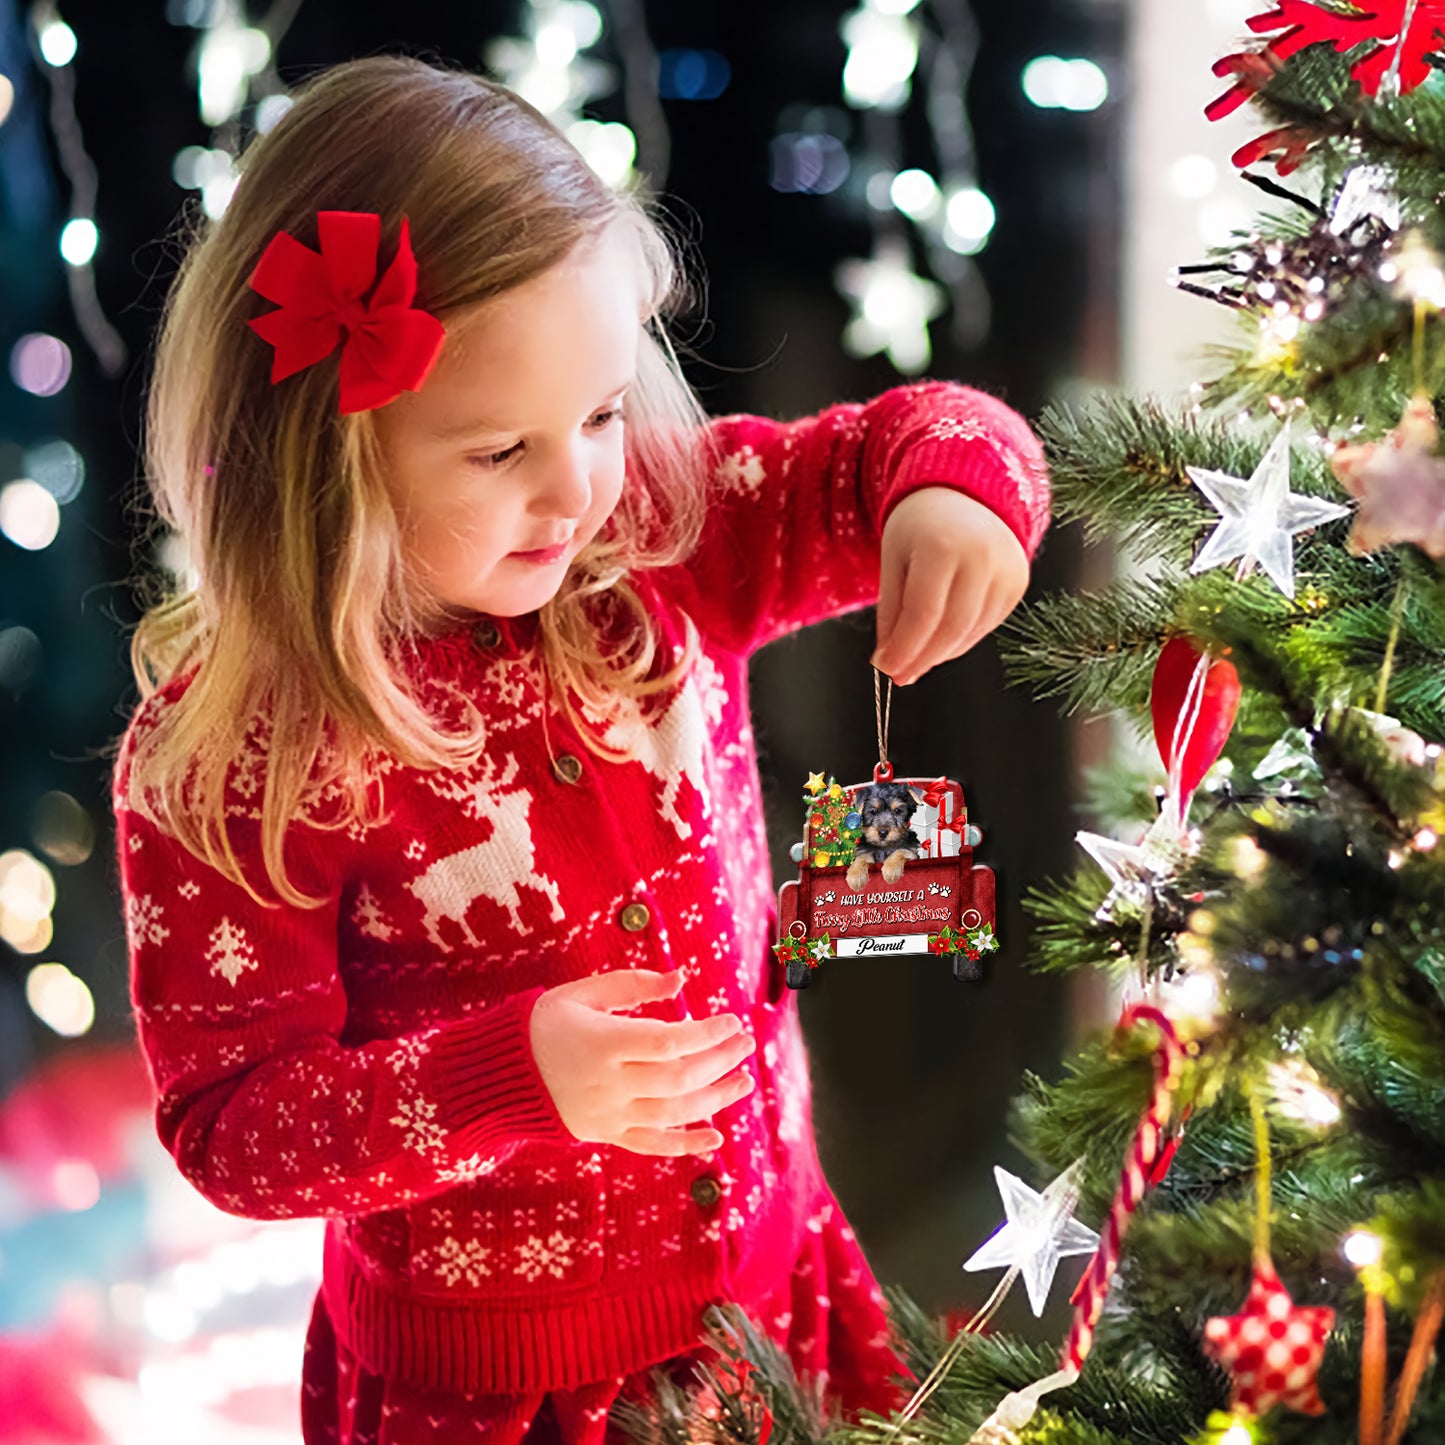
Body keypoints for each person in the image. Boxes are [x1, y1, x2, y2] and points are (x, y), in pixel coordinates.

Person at [109, 54, 1051, 1445]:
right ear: (321, 455)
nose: (577, 487)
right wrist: (508, 1076)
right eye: (499, 452)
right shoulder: (236, 753)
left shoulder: (659, 541)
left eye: (604, 412)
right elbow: (233, 1127)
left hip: (768, 1285)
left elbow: (899, 445)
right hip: (501, 1388)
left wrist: (956, 496)